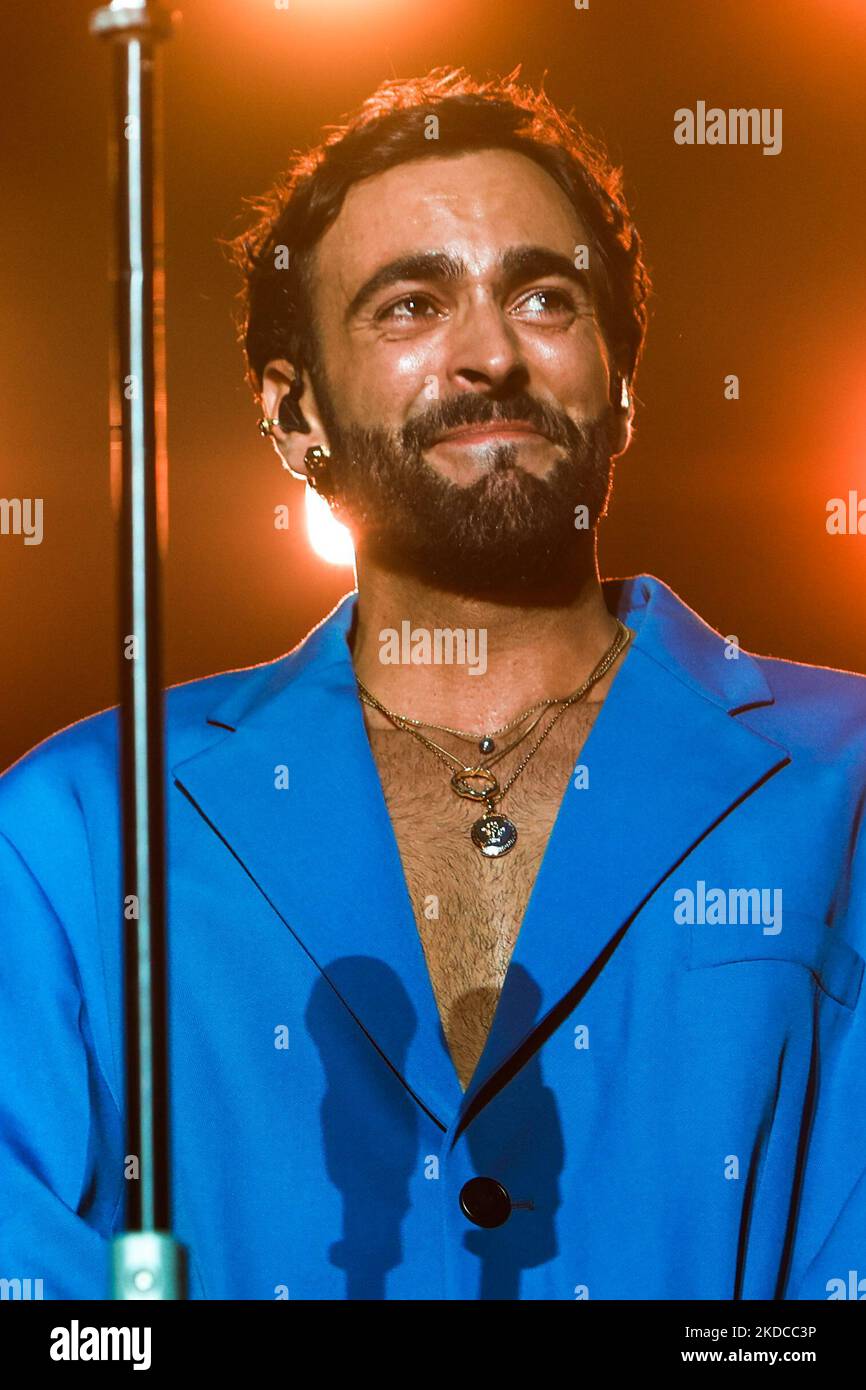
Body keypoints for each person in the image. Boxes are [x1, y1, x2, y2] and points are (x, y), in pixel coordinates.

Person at [2, 65, 865, 1302]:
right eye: (408, 306)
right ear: (293, 412)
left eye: (543, 295)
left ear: (621, 383)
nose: (488, 355)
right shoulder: (80, 830)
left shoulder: (846, 780)